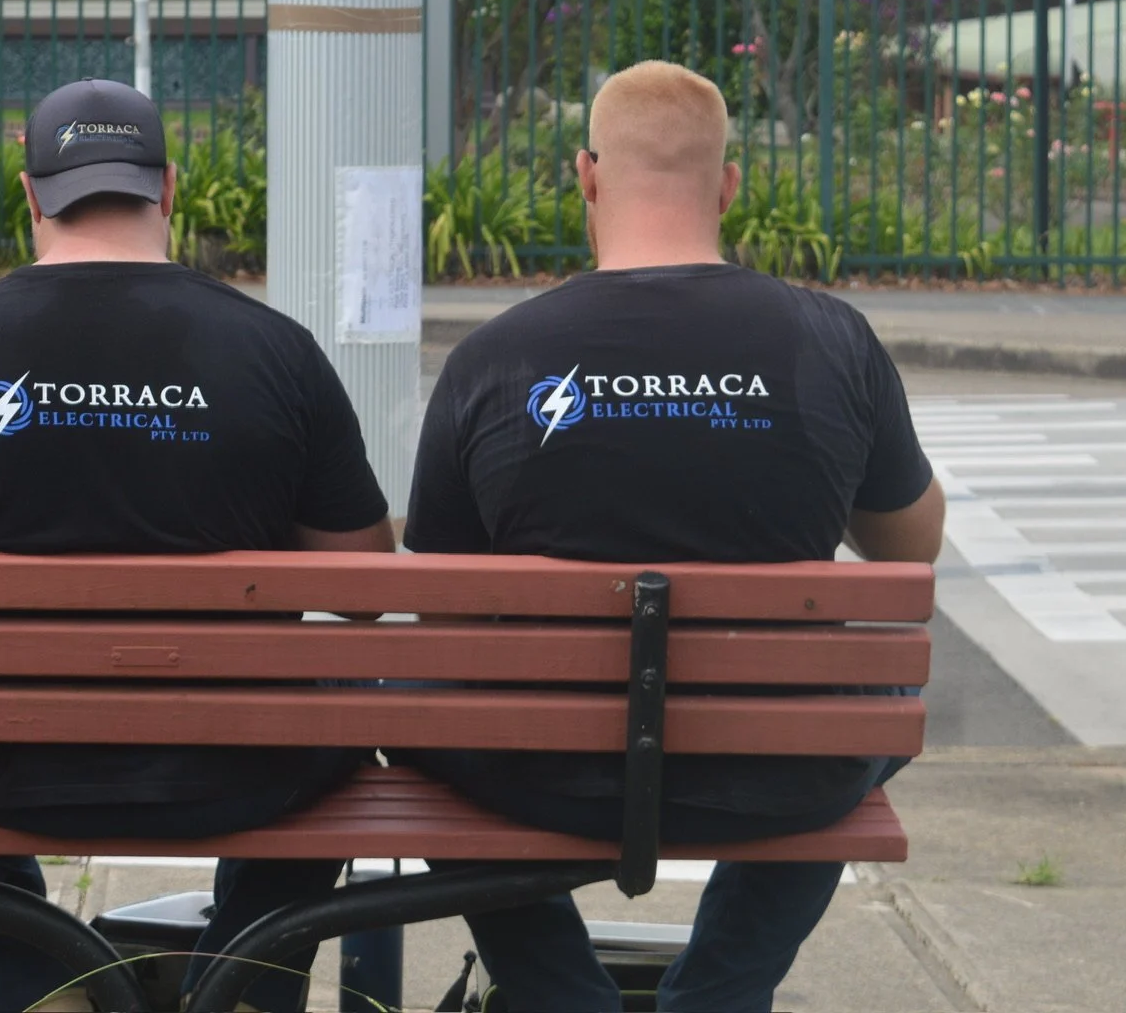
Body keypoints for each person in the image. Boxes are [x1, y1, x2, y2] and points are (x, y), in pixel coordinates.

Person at [0, 79, 395, 1013]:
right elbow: (366, 587)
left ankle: (41, 974)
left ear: (30, 195)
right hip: (242, 768)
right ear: (169, 187)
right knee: (347, 703)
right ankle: (247, 980)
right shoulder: (278, 352)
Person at [402, 60, 946, 1013]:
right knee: (876, 692)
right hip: (778, 767)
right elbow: (911, 547)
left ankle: (560, 993)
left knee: (415, 704)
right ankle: (720, 995)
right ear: (729, 184)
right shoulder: (832, 341)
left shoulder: (494, 359)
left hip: (542, 772)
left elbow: (436, 590)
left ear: (587, 175)